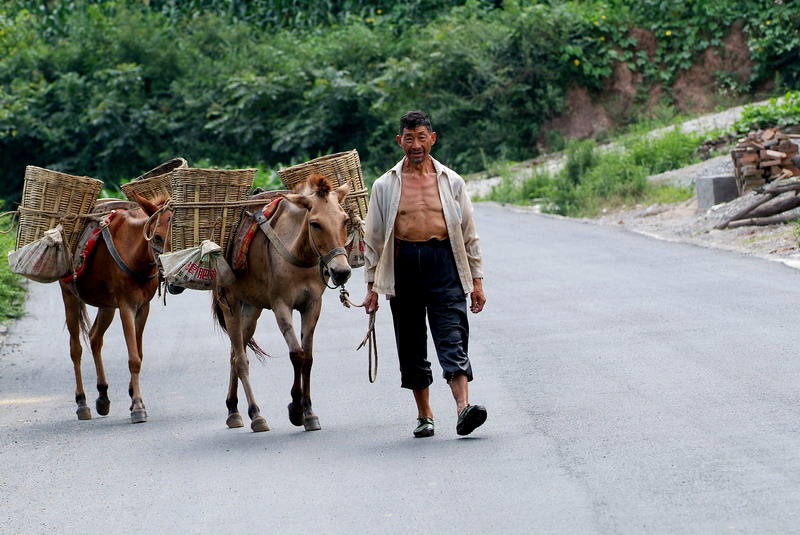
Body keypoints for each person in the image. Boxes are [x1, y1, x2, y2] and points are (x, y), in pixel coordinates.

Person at [362, 110, 487, 438]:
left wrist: (476, 281)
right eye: (409, 138)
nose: (415, 144)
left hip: (443, 261)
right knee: (412, 343)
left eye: (421, 137)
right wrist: (372, 287)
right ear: (399, 141)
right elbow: (373, 239)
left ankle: (463, 409)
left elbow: (469, 232)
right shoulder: (384, 185)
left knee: (452, 335)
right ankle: (424, 414)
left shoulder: (451, 181)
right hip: (403, 264)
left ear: (432, 139)